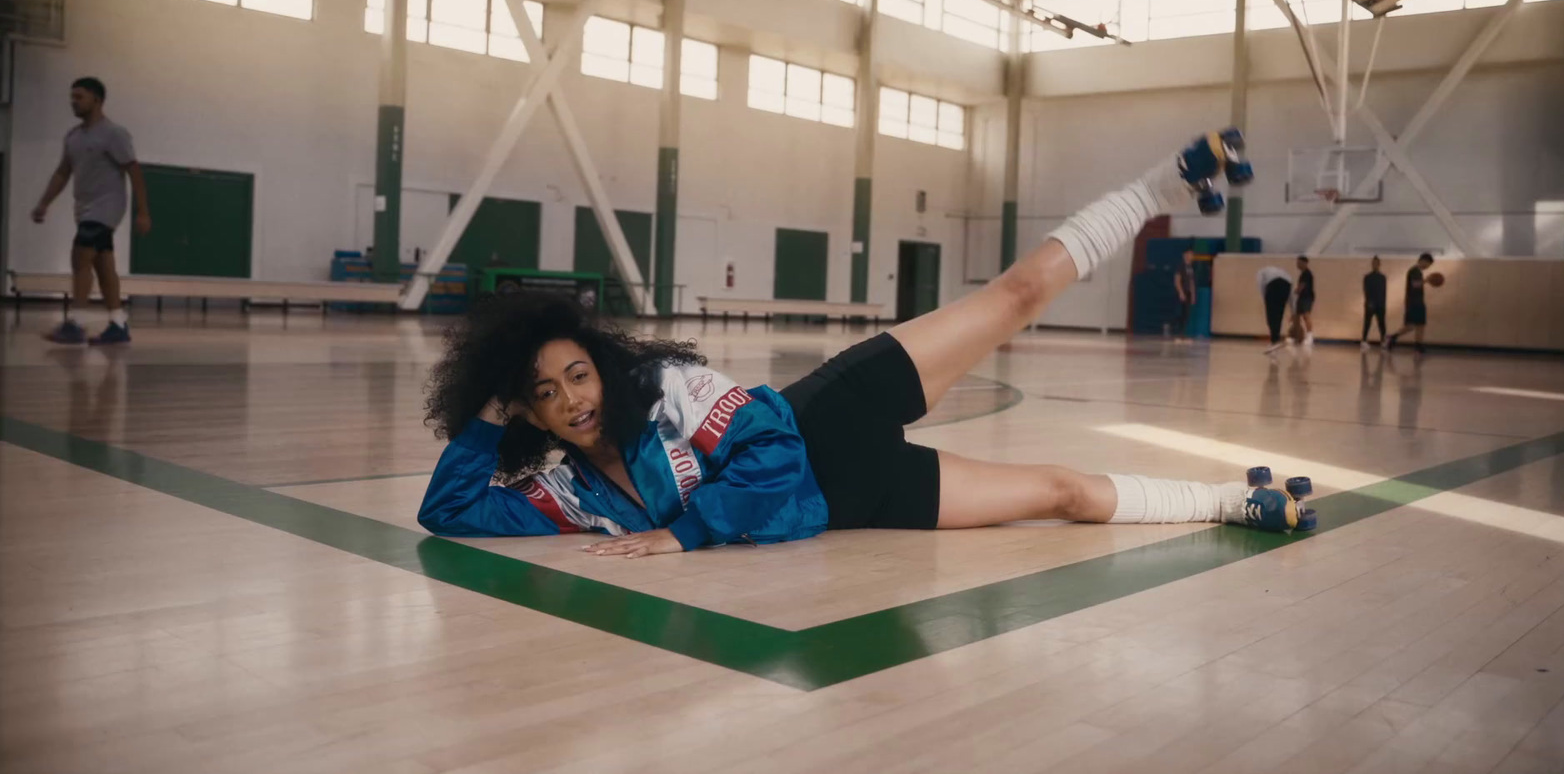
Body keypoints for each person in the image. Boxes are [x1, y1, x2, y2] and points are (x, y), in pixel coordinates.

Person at [416, 129, 1315, 556]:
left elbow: (767, 455)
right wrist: (491, 405)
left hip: (828, 416)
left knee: (1015, 293)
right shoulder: (565, 492)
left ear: (603, 365)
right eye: (545, 393)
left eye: (578, 374)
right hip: (854, 497)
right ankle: (1239, 502)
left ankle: (1166, 174)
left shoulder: (663, 388)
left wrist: (684, 535)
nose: (574, 399)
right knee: (1062, 492)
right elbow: (448, 510)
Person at [31, 77, 150, 345]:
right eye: (72, 97)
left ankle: (75, 323)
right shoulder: (73, 137)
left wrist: (142, 211)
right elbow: (63, 172)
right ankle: (118, 325)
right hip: (84, 208)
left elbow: (134, 170)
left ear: (97, 100)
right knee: (103, 264)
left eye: (79, 97)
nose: (73, 102)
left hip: (107, 206)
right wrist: (44, 203)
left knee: (80, 254)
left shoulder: (114, 133)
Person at [1386, 253, 1434, 353]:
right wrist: (1427, 280)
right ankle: (1393, 337)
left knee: (1421, 325)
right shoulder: (1414, 271)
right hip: (1413, 302)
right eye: (1428, 264)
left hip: (1419, 301)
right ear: (1423, 260)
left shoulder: (1418, 272)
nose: (1428, 267)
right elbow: (1415, 284)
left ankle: (1418, 345)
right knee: (1410, 326)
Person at [1257, 264, 1294, 355]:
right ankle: (1275, 339)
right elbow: (1290, 292)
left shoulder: (1261, 272)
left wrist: (1265, 299)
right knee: (1279, 314)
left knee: (1271, 315)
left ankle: (1274, 341)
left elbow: (1261, 285)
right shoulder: (1284, 273)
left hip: (1273, 285)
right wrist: (1292, 308)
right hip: (1286, 285)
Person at [1361, 256, 1387, 349]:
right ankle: (1364, 340)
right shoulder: (1367, 277)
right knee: (1367, 322)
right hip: (1370, 304)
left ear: (1379, 265)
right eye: (1373, 263)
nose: (1375, 265)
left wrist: (1384, 304)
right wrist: (1368, 302)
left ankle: (1383, 340)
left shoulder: (1383, 277)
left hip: (1380, 304)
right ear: (1372, 264)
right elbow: (1366, 291)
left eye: (1376, 263)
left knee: (1382, 323)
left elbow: (1384, 292)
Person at [1170, 249, 1196, 344]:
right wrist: (1181, 292)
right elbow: (1177, 280)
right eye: (1190, 254)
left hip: (1188, 293)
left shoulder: (1191, 268)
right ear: (1185, 255)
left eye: (1192, 254)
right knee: (1180, 313)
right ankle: (1176, 334)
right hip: (1182, 293)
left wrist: (1193, 295)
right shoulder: (1180, 266)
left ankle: (1183, 335)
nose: (1192, 256)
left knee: (1186, 314)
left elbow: (1192, 282)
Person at [1291, 255, 1315, 346]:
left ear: (1304, 263)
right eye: (1297, 263)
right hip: (1301, 298)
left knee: (1306, 315)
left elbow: (1301, 286)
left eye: (1299, 263)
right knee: (1296, 316)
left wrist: (1295, 292)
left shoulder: (1307, 274)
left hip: (1307, 297)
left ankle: (1310, 337)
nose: (1297, 265)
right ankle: (1297, 337)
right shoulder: (1302, 274)